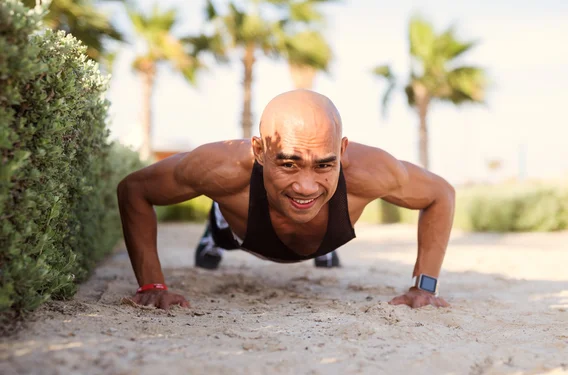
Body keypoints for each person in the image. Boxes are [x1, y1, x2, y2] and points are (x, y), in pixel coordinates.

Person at [117, 89, 455, 311]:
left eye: (324, 164)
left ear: (341, 151)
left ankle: (325, 234)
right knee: (226, 224)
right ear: (259, 151)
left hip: (322, 234)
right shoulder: (221, 168)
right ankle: (215, 229)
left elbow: (441, 194)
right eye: (289, 164)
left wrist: (424, 287)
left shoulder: (371, 171)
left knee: (317, 202)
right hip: (242, 231)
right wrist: (152, 284)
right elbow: (135, 190)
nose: (306, 185)